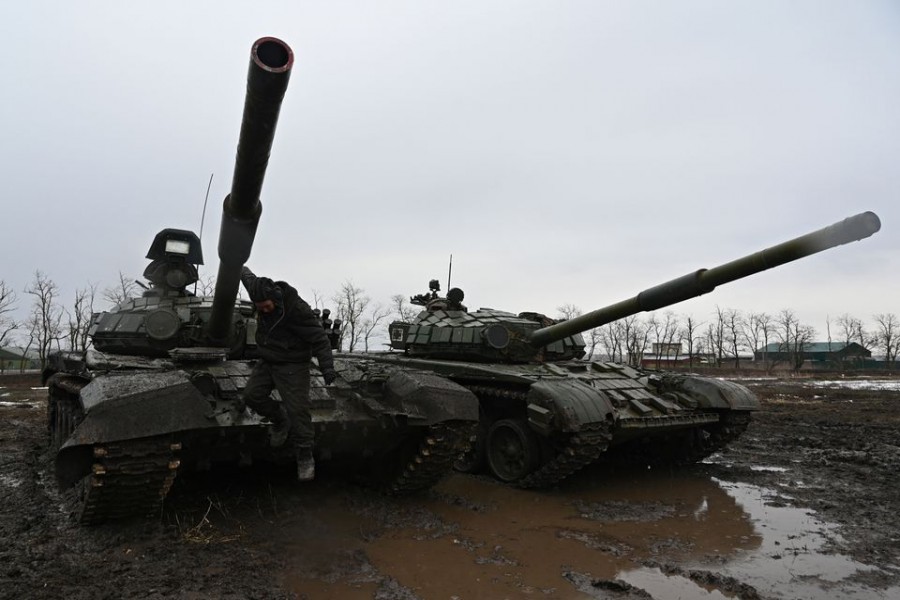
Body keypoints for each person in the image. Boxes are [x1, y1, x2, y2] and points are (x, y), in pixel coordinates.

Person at [239, 266, 337, 481]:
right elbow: (246, 275)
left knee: (298, 410)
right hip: (268, 359)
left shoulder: (296, 310)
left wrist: (327, 367)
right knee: (251, 396)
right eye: (259, 308)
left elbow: (320, 339)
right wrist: (235, 262)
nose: (263, 311)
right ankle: (279, 419)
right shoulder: (258, 290)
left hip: (293, 363)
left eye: (266, 307)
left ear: (275, 298)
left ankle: (304, 455)